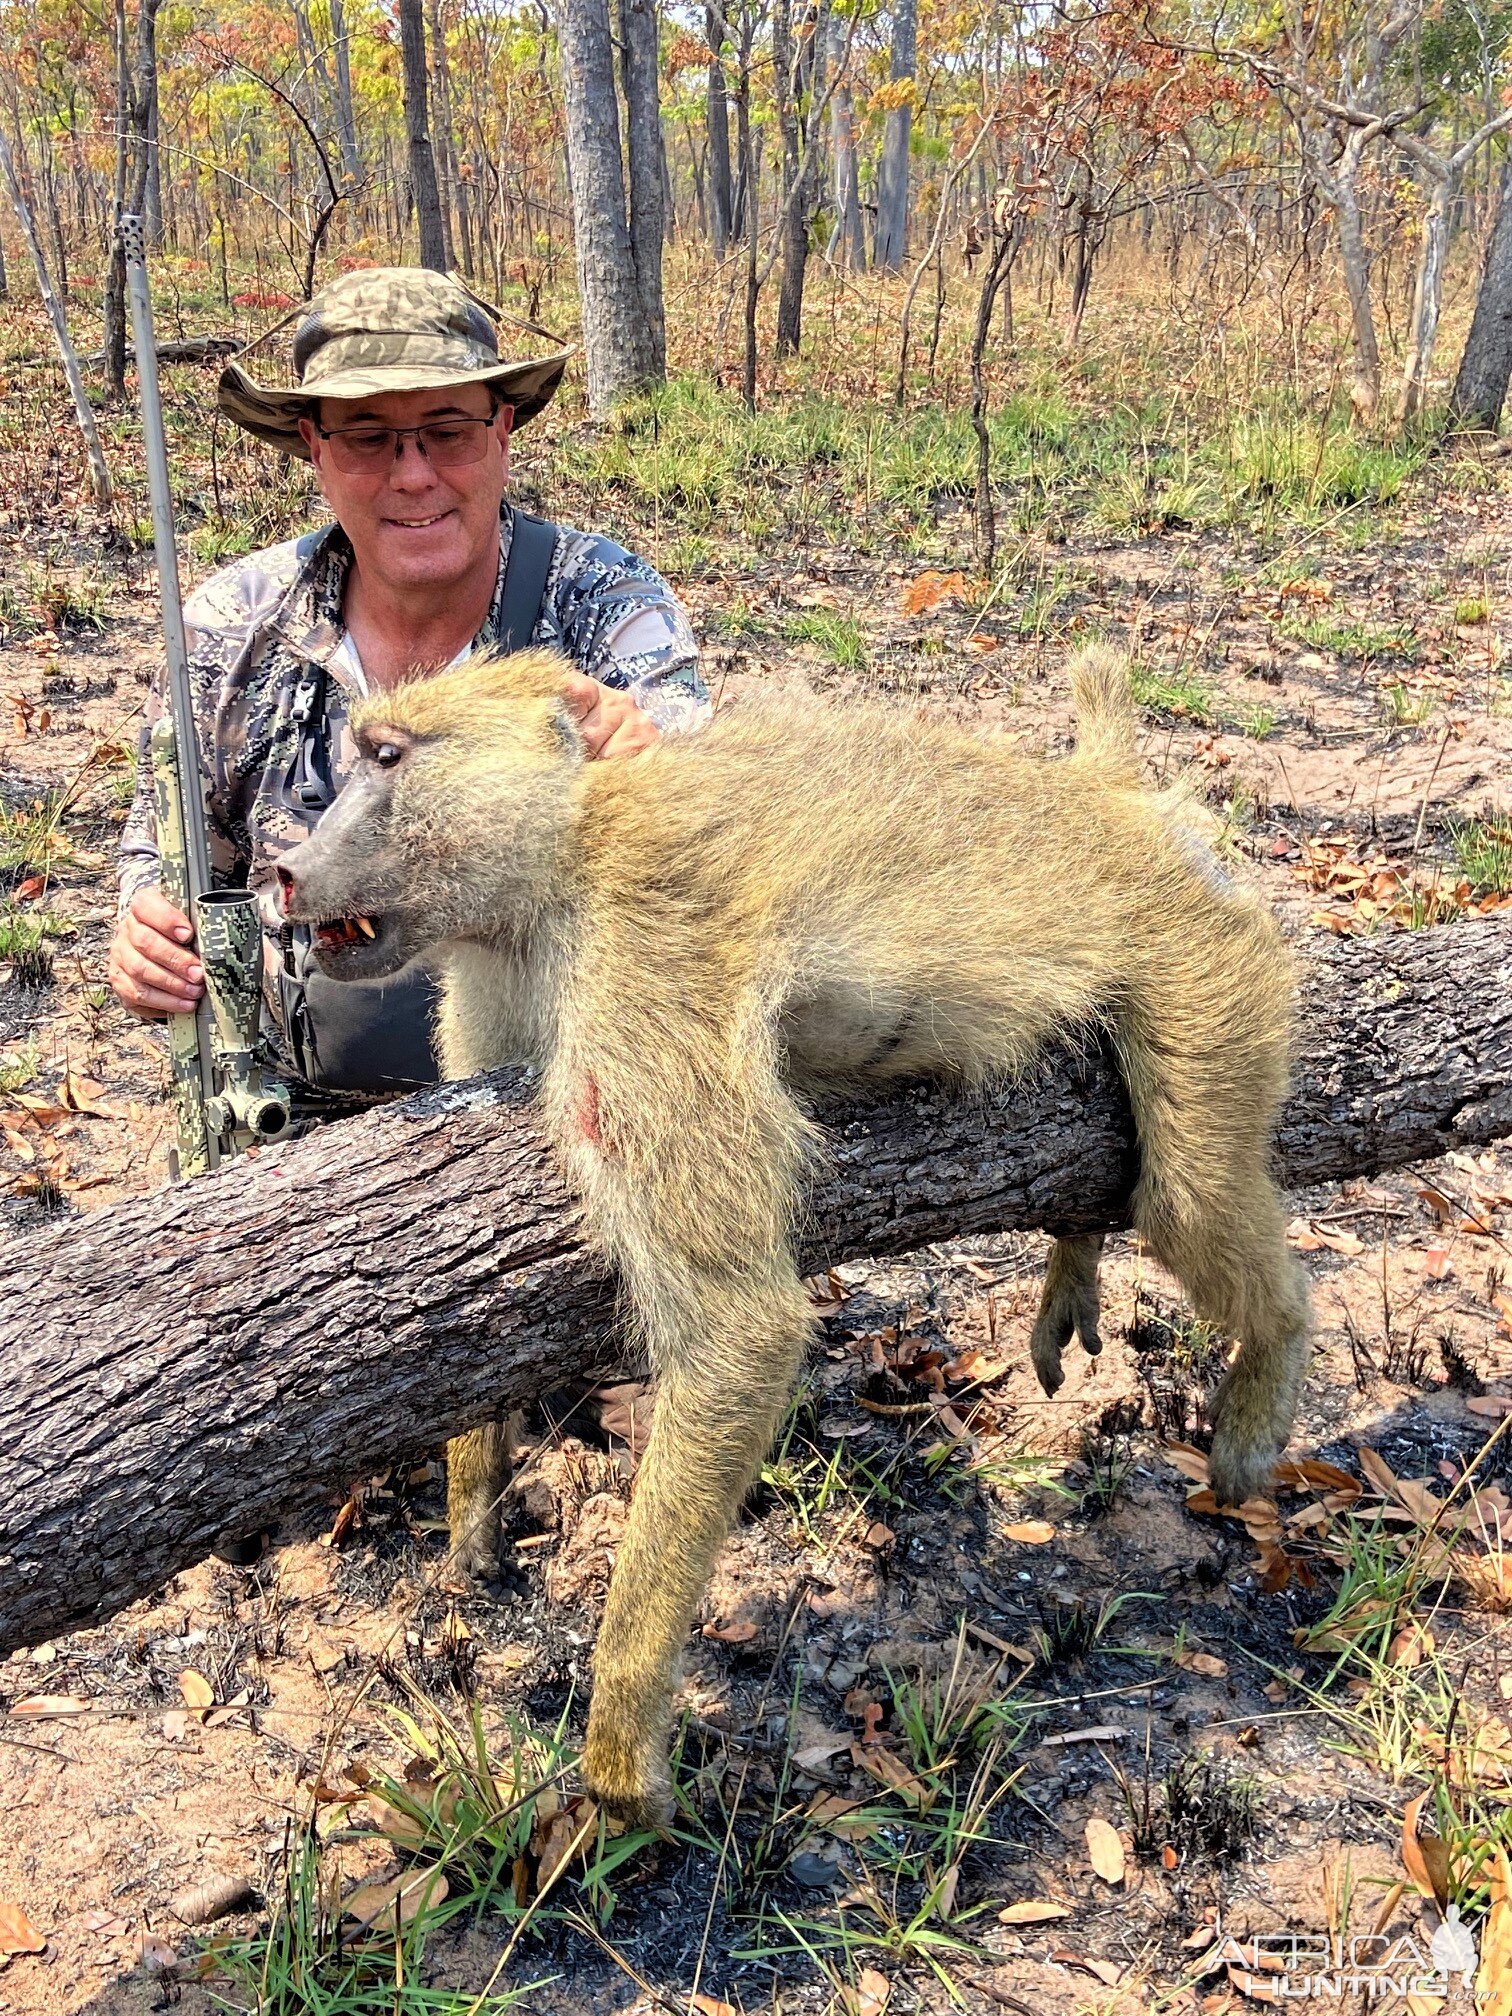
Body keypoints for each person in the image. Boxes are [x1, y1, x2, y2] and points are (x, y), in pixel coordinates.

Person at [111, 268, 706, 1103]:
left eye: (447, 430)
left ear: (503, 431)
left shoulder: (600, 599)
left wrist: (649, 759)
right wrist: (145, 929)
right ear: (314, 447)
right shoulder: (232, 623)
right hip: (288, 1119)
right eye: (367, 436)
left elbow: (702, 794)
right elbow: (163, 846)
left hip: (539, 1110)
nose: (414, 475)